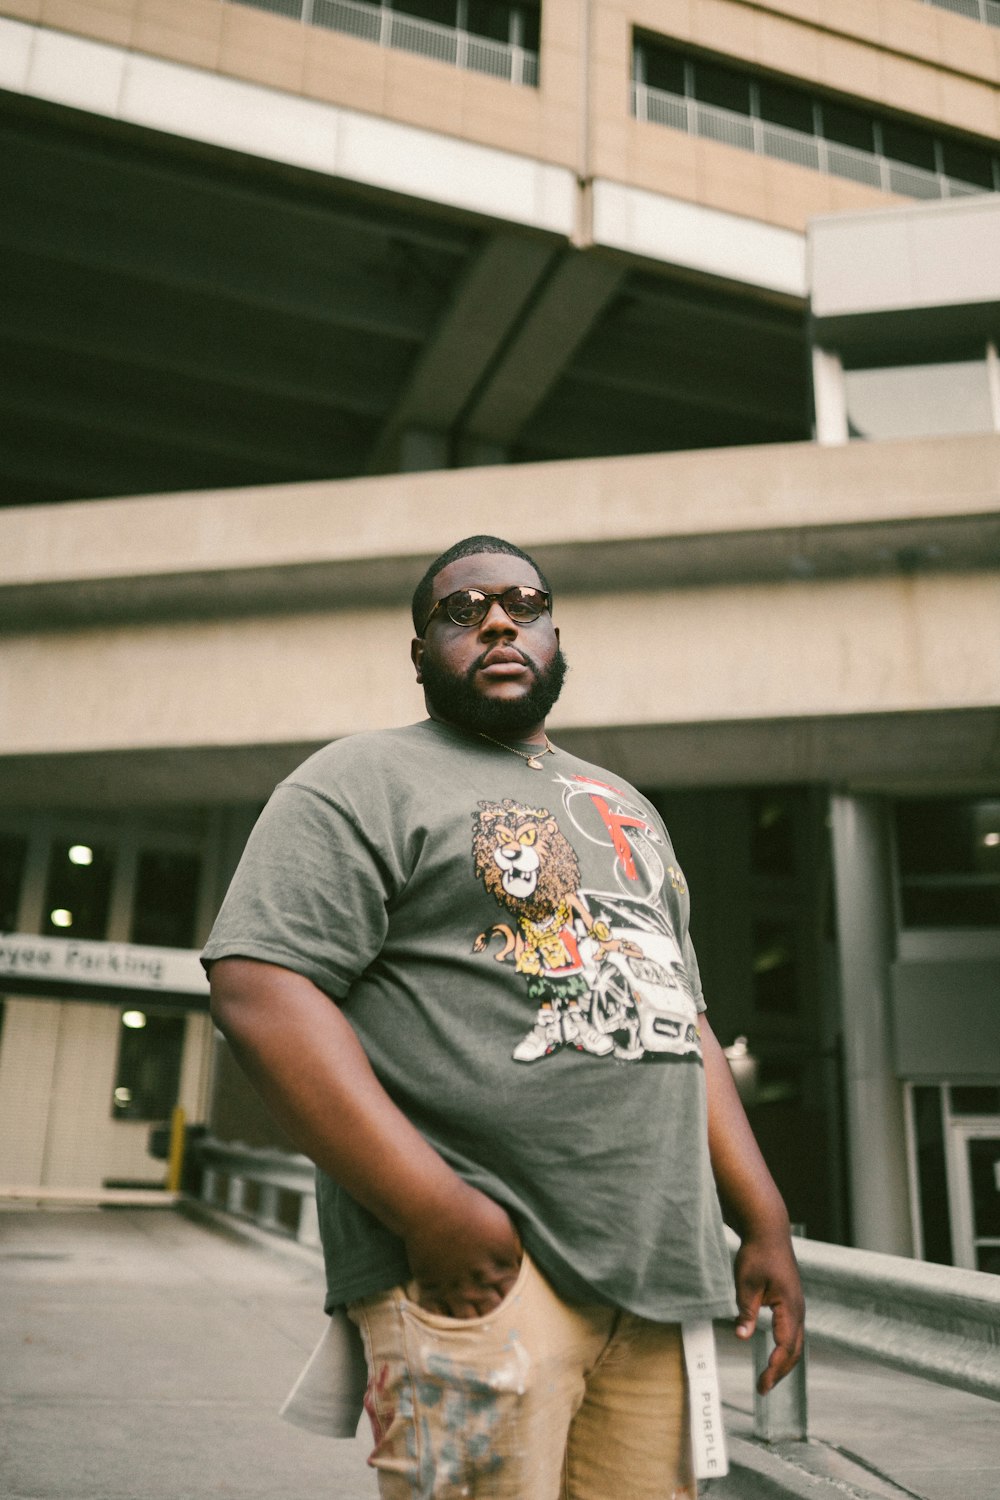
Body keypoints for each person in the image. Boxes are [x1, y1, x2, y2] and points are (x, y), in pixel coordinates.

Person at [203, 534, 804, 1500]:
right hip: (480, 1268)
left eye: (525, 605)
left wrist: (763, 1220)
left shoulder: (626, 808)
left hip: (660, 1278)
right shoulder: (357, 779)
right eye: (462, 608)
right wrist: (432, 1209)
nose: (497, 619)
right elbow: (259, 989)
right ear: (420, 652)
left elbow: (678, 1017)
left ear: (556, 636)